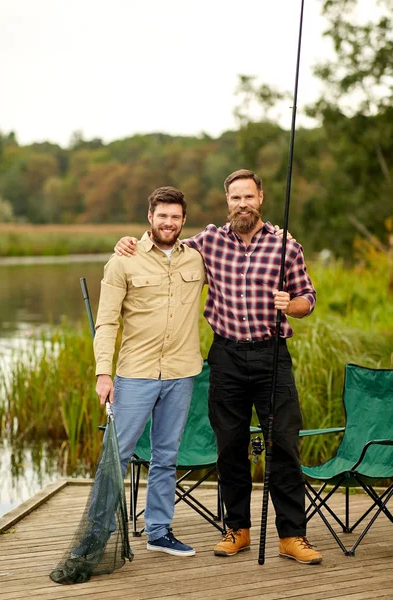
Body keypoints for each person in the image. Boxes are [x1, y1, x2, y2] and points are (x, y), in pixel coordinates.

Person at [115, 169, 323, 565]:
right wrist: (130, 242)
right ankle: (237, 529)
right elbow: (165, 248)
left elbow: (308, 298)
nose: (242, 204)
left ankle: (292, 535)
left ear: (260, 197)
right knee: (229, 446)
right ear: (226, 201)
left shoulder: (285, 246)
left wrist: (291, 305)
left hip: (272, 355)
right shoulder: (207, 242)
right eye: (234, 198)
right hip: (226, 356)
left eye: (248, 197)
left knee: (284, 445)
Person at [93, 185, 206, 557]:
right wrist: (103, 374)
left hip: (181, 373)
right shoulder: (123, 260)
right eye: (162, 216)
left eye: (175, 217)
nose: (169, 223)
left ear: (184, 220)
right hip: (135, 374)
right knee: (118, 454)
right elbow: (107, 323)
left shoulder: (197, 259)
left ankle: (159, 531)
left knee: (166, 456)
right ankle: (99, 533)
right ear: (150, 218)